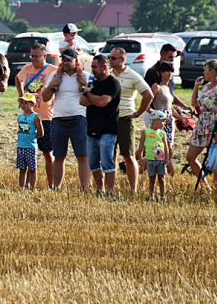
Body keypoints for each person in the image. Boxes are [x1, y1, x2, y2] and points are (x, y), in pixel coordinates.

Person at [41, 48, 89, 189]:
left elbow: (92, 94)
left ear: (76, 61)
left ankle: (85, 188)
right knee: (59, 156)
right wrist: (52, 84)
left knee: (82, 156)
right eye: (64, 59)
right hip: (58, 118)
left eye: (69, 60)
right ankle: (56, 187)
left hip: (79, 118)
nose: (66, 62)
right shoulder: (55, 75)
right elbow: (45, 98)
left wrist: (85, 84)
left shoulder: (84, 75)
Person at [109, 46, 153, 193]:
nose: (110, 60)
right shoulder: (108, 74)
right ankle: (110, 188)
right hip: (108, 120)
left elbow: (148, 95)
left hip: (124, 119)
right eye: (109, 57)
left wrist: (137, 113)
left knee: (128, 156)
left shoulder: (133, 75)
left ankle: (133, 190)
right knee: (111, 156)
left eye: (113, 58)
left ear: (122, 60)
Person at [15, 43, 57, 188]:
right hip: (28, 118)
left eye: (36, 56)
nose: (33, 59)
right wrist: (21, 97)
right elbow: (17, 79)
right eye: (31, 56)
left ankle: (51, 185)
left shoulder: (53, 70)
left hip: (46, 117)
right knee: (27, 152)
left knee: (47, 153)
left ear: (44, 56)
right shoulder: (26, 69)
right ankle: (27, 184)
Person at [80, 54, 121, 193]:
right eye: (91, 67)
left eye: (94, 67)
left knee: (107, 163)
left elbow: (103, 102)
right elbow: (82, 101)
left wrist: (89, 94)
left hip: (108, 130)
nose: (92, 70)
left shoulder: (113, 84)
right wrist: (92, 97)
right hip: (92, 129)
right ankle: (100, 190)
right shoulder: (94, 83)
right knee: (93, 164)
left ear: (104, 67)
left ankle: (110, 192)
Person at [185, 60, 217, 193]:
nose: (203, 72)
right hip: (202, 124)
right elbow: (194, 103)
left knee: (215, 159)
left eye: (205, 70)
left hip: (215, 123)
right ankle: (205, 187)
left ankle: (215, 191)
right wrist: (196, 86)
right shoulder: (206, 86)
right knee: (190, 157)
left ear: (212, 71)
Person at [139, 110, 174, 200]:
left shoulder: (162, 133)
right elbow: (141, 145)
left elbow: (165, 146)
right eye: (162, 121)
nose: (163, 123)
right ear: (155, 120)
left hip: (161, 160)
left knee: (161, 179)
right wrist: (140, 157)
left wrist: (166, 158)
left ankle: (163, 196)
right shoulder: (145, 131)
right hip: (150, 159)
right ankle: (151, 196)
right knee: (152, 179)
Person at [16, 92, 43, 190]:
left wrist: (33, 138)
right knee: (22, 169)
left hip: (31, 146)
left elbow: (40, 132)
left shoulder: (35, 116)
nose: (23, 105)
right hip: (20, 146)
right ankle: (21, 187)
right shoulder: (20, 116)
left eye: (26, 103)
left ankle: (32, 188)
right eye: (22, 103)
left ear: (33, 104)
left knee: (32, 169)